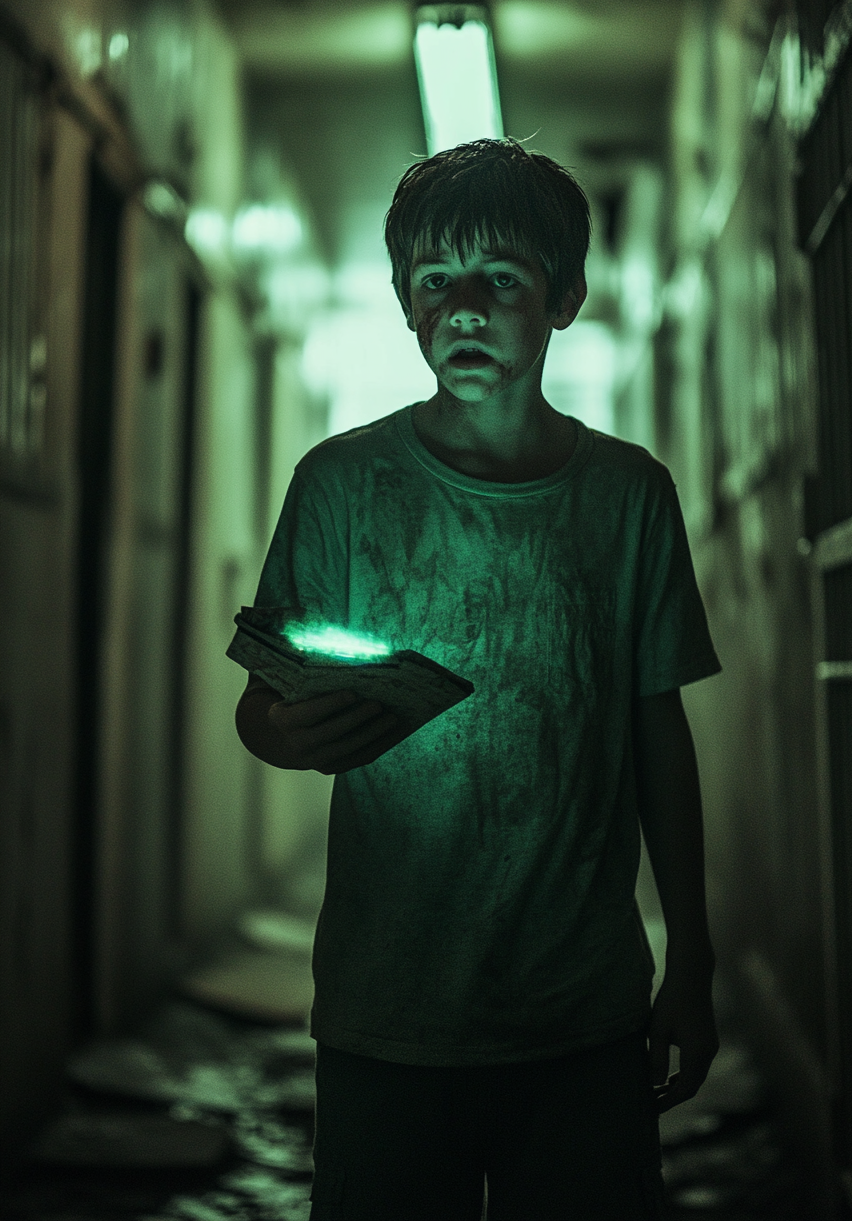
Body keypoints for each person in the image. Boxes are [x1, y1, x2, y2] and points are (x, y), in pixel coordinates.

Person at [235, 138, 721, 1220]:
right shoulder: (339, 485)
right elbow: (262, 701)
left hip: (581, 1011)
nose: (462, 308)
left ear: (565, 297)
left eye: (499, 279)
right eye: (433, 283)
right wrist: (285, 730)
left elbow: (656, 736)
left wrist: (687, 958)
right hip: (384, 1005)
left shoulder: (627, 499)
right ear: (405, 308)